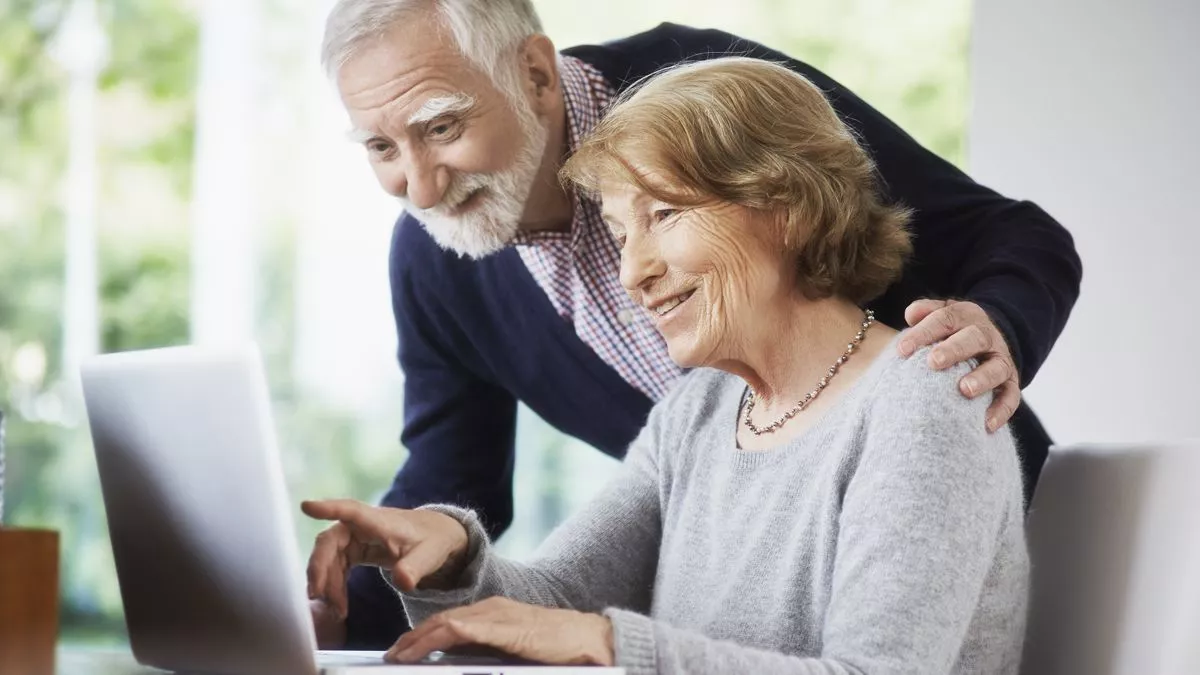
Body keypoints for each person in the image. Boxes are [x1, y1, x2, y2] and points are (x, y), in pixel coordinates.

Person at [317, 0, 1079, 648]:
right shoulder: (695, 413)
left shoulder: (715, 101)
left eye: (442, 128)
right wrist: (362, 595)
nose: (416, 188)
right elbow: (519, 551)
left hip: (939, 525)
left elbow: (1011, 238)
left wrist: (982, 343)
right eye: (617, 230)